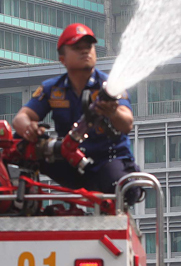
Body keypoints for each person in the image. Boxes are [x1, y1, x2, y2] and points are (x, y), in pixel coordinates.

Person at [12, 23, 139, 197]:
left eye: (89, 47)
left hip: (106, 161)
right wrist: (29, 129)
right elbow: (21, 118)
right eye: (77, 48)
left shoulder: (110, 87)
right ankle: (19, 197)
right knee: (18, 141)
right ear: (62, 59)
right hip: (69, 159)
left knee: (124, 189)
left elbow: (127, 124)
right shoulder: (52, 88)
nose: (85, 51)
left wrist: (112, 112)